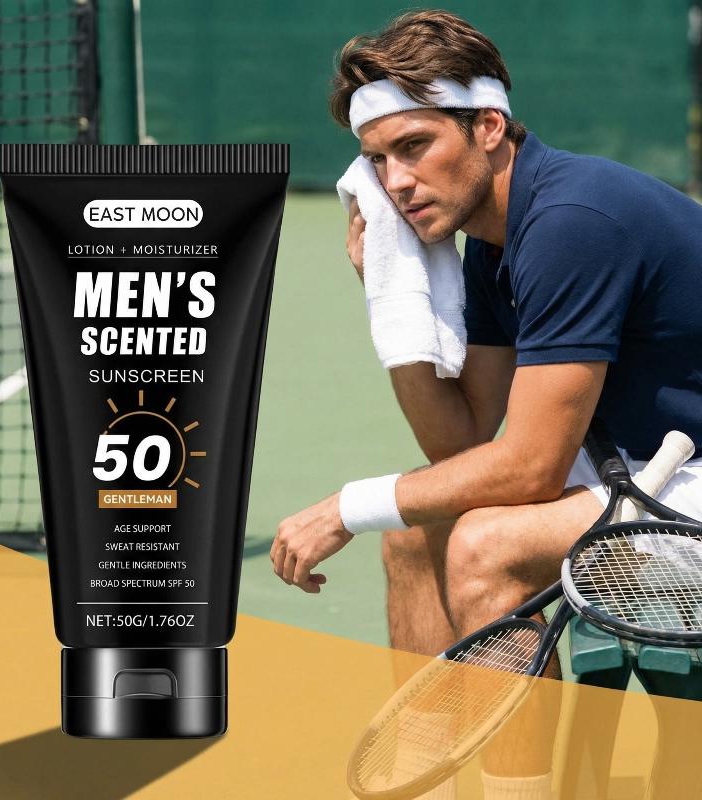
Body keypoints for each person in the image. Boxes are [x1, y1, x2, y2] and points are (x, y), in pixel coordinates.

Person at [270, 9, 702, 671]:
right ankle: (436, 743)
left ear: (490, 127)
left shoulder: (569, 222)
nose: (395, 182)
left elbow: (531, 467)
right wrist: (390, 291)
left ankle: (515, 750)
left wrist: (346, 507)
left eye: (414, 146)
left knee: (484, 548)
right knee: (414, 534)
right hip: (645, 462)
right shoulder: (492, 243)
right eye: (377, 160)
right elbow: (460, 442)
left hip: (682, 471)